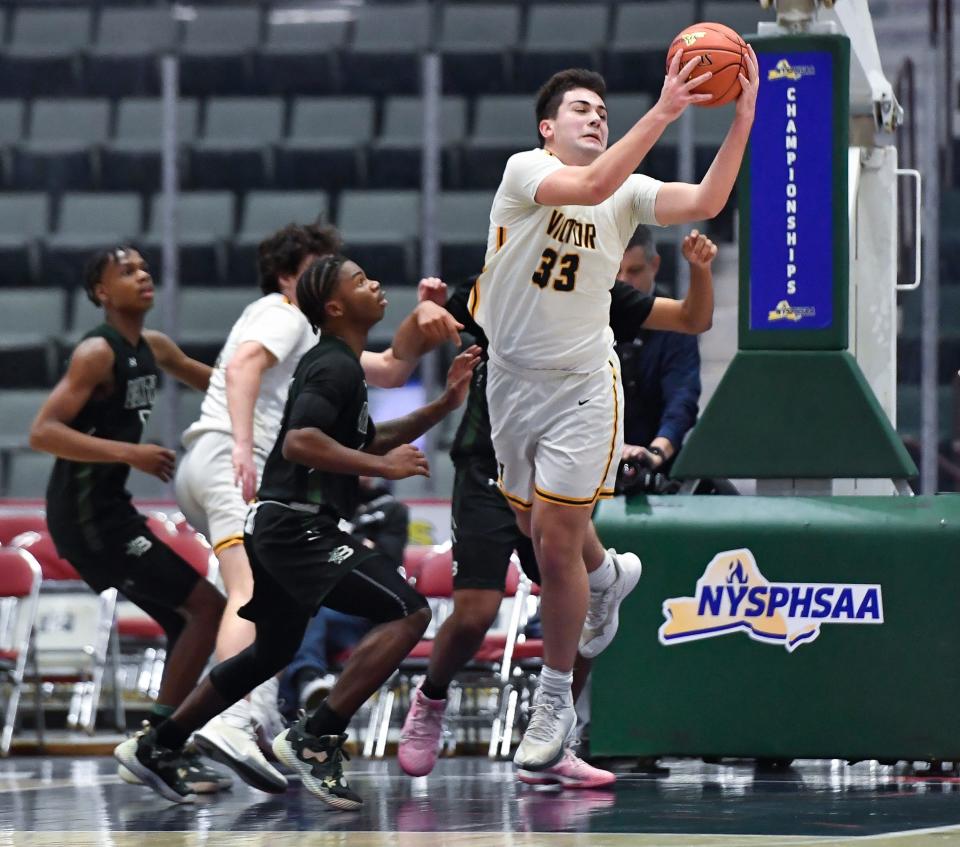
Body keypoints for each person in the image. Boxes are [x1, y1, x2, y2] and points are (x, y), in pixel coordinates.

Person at [470, 58, 757, 772]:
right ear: (547, 128)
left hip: (582, 385)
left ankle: (554, 700)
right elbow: (590, 184)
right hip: (509, 381)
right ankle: (609, 578)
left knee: (557, 540)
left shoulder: (626, 192)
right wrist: (663, 111)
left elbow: (708, 199)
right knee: (535, 531)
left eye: (602, 108)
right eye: (580, 108)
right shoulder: (524, 173)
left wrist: (743, 119)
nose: (595, 115)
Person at [115, 254, 481, 809]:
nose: (375, 283)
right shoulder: (332, 364)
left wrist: (442, 405)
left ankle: (158, 745)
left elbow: (362, 442)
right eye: (360, 281)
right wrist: (382, 469)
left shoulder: (341, 364)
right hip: (296, 524)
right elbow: (300, 443)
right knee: (408, 611)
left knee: (272, 652)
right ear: (335, 307)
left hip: (279, 524)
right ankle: (317, 735)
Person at [397, 230, 717, 787]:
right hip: (489, 462)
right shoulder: (506, 282)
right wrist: (424, 312)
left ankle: (554, 732)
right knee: (475, 610)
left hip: (562, 463)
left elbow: (690, 326)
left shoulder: (604, 294)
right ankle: (431, 698)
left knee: (577, 597)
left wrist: (702, 270)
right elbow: (407, 344)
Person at [29, 247, 229, 793]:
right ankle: (158, 746)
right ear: (100, 292)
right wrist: (130, 454)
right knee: (205, 609)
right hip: (86, 516)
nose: (143, 277)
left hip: (110, 510)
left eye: (144, 269)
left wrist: (271, 387)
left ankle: (164, 743)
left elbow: (210, 379)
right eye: (127, 272)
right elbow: (42, 432)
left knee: (185, 621)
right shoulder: (97, 353)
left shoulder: (152, 346)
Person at [617, 225, 703, 480]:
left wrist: (655, 452)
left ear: (654, 265)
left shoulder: (676, 323)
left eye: (634, 271)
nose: (622, 281)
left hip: (658, 464)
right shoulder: (586, 318)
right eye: (615, 271)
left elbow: (682, 398)